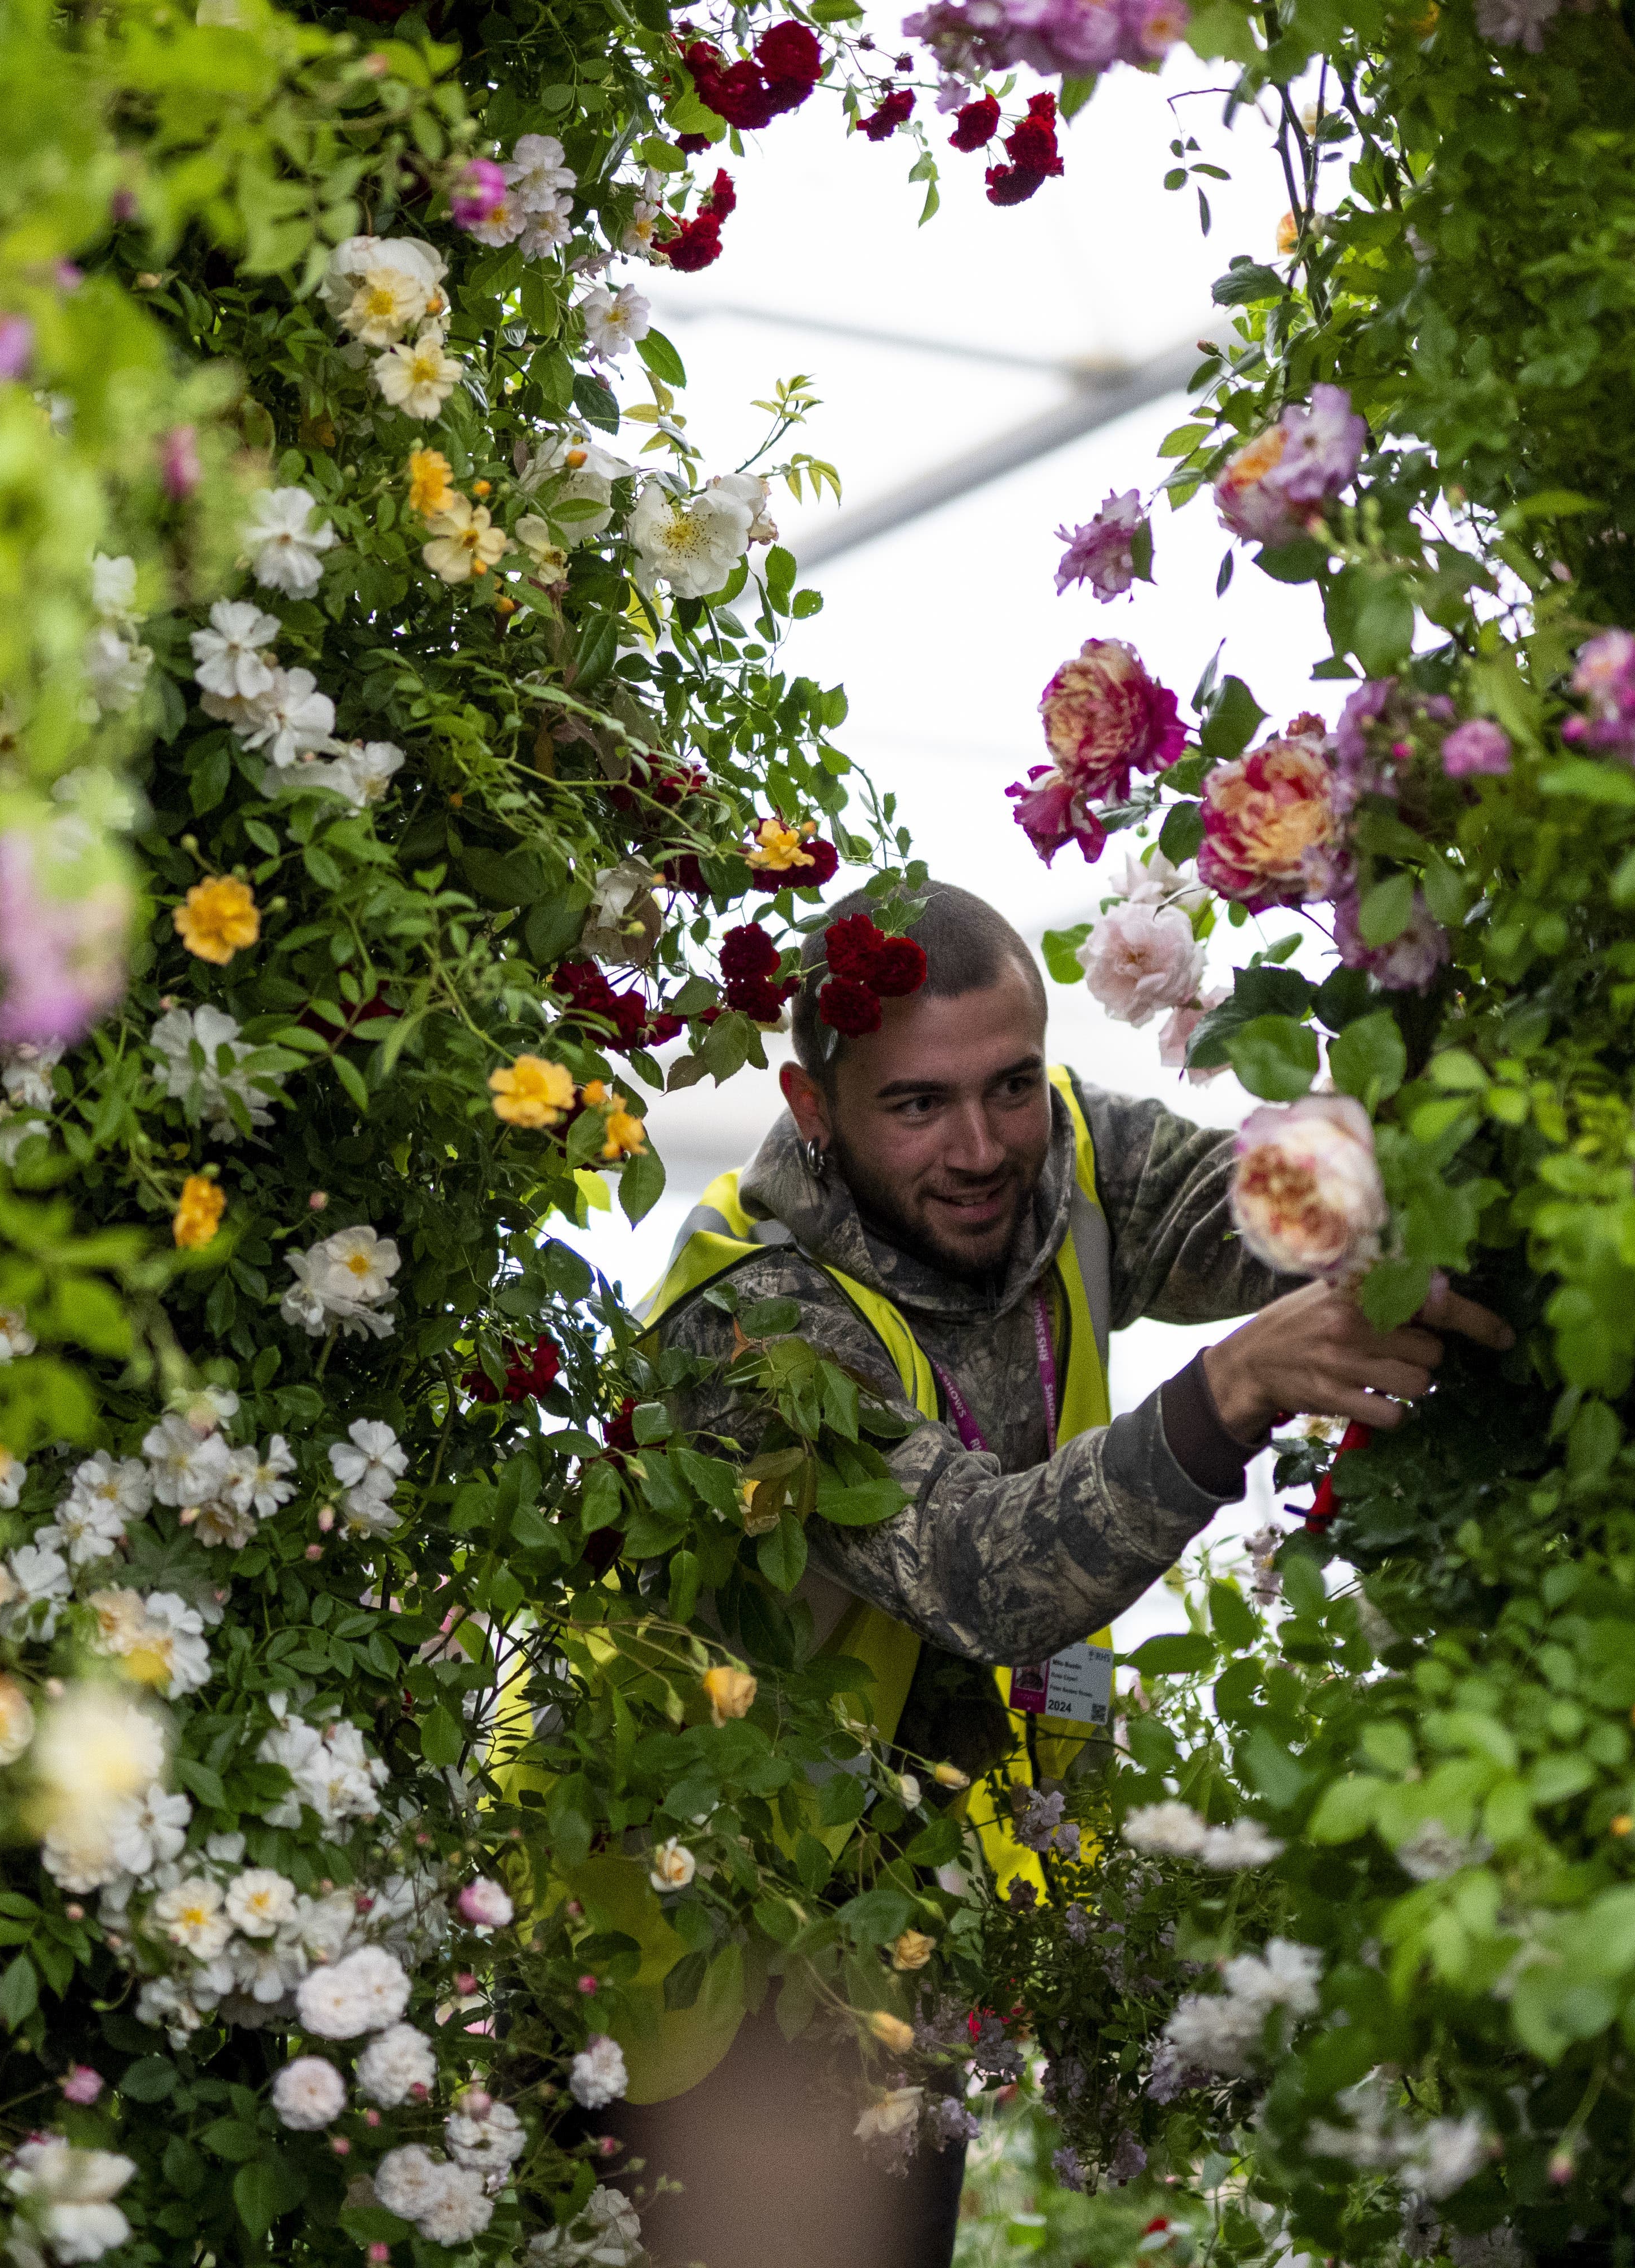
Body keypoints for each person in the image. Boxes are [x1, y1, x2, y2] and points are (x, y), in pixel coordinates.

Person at [593, 879, 1510, 2268]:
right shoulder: (747, 1321)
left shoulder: (1065, 1156)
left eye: (1012, 1083)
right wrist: (1238, 1384)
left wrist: (1440, 1171)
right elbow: (985, 1571)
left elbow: (1243, 1209)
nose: (983, 1146)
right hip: (699, 1958)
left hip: (898, 1930)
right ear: (810, 1103)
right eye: (919, 1104)